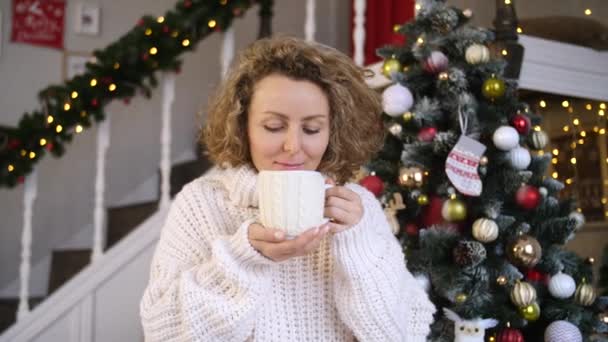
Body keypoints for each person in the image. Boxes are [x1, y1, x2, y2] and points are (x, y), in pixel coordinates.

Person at [140, 36, 435, 341]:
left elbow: (397, 335)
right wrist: (244, 258)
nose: (293, 146)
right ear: (242, 127)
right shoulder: (201, 204)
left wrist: (357, 244)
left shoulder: (357, 208)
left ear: (333, 131)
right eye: (273, 127)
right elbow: (164, 333)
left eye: (311, 129)